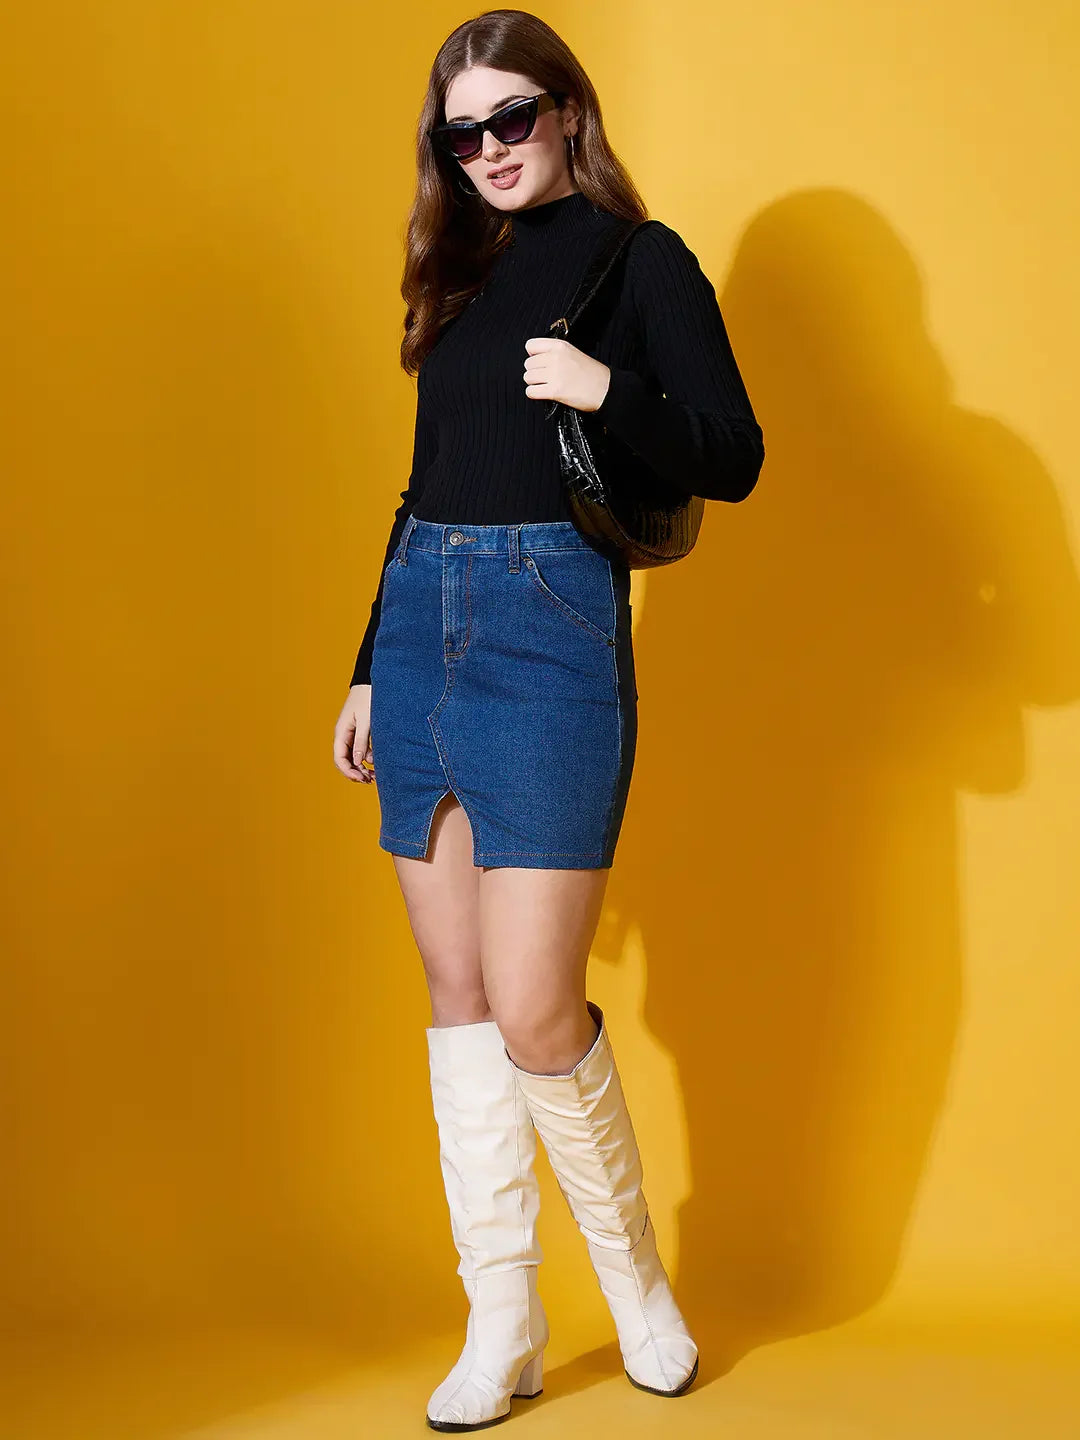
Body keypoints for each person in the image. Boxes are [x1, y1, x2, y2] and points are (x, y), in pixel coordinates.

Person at [332, 11, 764, 1431]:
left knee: (533, 1006)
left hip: (553, 627)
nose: (489, 152)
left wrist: (606, 389)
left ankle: (634, 1284)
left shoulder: (641, 263)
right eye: (462, 134)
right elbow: (424, 477)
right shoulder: (455, 275)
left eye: (512, 119)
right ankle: (502, 1319)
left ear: (570, 113)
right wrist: (367, 667)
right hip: (422, 620)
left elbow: (734, 451)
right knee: (457, 999)